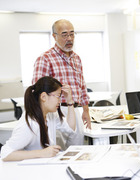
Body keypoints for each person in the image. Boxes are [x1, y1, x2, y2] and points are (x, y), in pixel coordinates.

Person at [32, 19, 91, 148]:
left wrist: (85, 110)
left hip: (74, 109)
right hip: (55, 112)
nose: (69, 38)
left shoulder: (76, 58)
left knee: (77, 151)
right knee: (57, 153)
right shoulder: (45, 58)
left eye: (72, 34)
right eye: (64, 35)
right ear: (54, 36)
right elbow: (37, 91)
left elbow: (82, 86)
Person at [1, 76, 76, 161]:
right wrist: (41, 153)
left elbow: (70, 128)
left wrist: (70, 102)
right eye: (58, 96)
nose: (59, 101)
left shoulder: (50, 115)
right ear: (43, 97)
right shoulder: (29, 123)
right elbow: (5, 154)